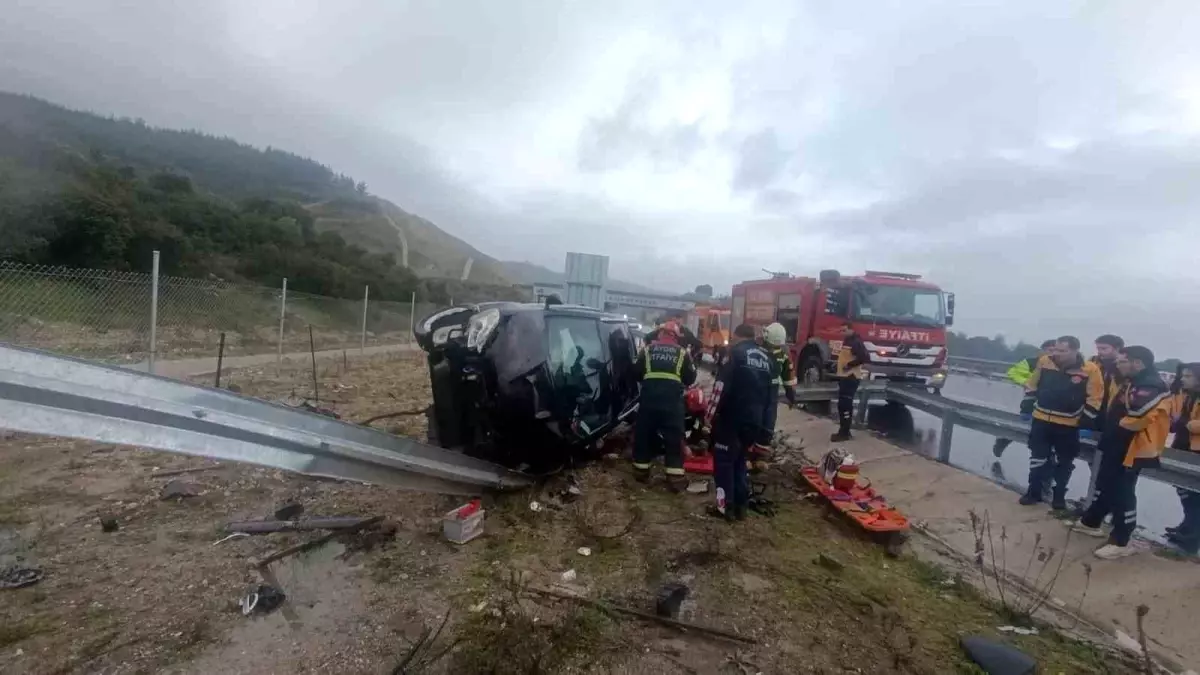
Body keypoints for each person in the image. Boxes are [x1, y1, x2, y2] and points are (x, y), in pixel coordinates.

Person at [1073, 346, 1171, 559]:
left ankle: (1122, 540)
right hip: (1116, 443)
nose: (1117, 365)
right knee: (1106, 484)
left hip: (1131, 447)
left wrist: (1121, 425)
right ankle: (1091, 522)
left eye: (1122, 361)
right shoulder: (1132, 381)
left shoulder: (1151, 385)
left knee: (1122, 491)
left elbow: (1139, 412)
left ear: (1138, 363)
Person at [1019, 335, 1104, 510]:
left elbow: (1095, 397)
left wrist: (1086, 421)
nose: (1057, 353)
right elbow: (1032, 384)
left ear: (1075, 351)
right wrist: (1026, 405)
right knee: (1037, 458)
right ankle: (1033, 492)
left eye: (1062, 351)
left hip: (1069, 423)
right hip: (1042, 418)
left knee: (1064, 461)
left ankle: (1059, 496)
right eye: (1056, 349)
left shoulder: (1089, 369)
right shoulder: (1045, 361)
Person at [704, 323, 773, 521]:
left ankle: (724, 508)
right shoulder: (767, 359)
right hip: (754, 421)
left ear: (737, 336)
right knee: (740, 461)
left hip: (731, 418)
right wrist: (765, 430)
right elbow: (771, 397)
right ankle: (741, 507)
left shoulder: (734, 354)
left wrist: (708, 417)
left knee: (724, 463)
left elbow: (720, 387)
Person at [631, 321, 697, 491]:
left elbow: (635, 372)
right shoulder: (682, 353)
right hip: (672, 404)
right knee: (674, 438)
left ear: (660, 334)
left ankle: (640, 472)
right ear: (676, 336)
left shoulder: (647, 350)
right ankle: (675, 478)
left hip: (649, 401)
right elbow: (690, 378)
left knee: (644, 435)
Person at [993, 339, 1057, 458]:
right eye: (1050, 350)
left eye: (1055, 350)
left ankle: (1047, 456)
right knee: (1024, 423)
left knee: (1046, 429)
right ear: (1042, 351)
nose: (1052, 353)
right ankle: (1004, 439)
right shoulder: (1031, 362)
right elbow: (1013, 373)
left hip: (1051, 403)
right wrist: (1026, 382)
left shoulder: (1061, 365)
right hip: (1031, 401)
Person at [753, 322, 798, 468]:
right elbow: (788, 377)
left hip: (758, 390)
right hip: (770, 391)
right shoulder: (783, 355)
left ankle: (751, 453)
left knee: (756, 419)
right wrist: (791, 395)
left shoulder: (757, 351)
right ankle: (759, 455)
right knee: (767, 421)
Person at [1166, 363, 1200, 554]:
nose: (1183, 379)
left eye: (1188, 376)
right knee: (1183, 489)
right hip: (1182, 445)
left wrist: (1186, 423)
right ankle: (1187, 526)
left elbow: (1190, 423)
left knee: (1194, 494)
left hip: (1196, 449)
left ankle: (1192, 536)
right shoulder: (1186, 396)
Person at [830, 322, 870, 442]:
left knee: (845, 405)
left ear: (851, 330)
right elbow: (846, 356)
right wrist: (837, 365)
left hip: (850, 377)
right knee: (843, 405)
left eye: (845, 330)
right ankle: (844, 431)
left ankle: (844, 432)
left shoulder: (855, 342)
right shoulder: (848, 341)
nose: (843, 333)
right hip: (845, 376)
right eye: (841, 331)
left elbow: (864, 357)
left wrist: (849, 365)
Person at [1090, 334, 1126, 434]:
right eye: (1098, 348)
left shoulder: (1124, 366)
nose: (1100, 351)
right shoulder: (1093, 362)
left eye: (1104, 348)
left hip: (1113, 410)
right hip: (1093, 407)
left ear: (1117, 348)